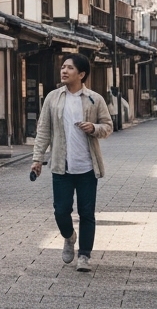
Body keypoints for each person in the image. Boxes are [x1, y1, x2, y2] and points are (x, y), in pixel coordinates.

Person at [31, 53, 113, 272]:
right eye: (63, 67)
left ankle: (84, 255)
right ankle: (69, 237)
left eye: (69, 68)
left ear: (82, 74)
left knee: (87, 213)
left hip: (87, 166)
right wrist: (37, 159)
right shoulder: (52, 98)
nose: (64, 71)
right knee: (61, 211)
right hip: (61, 166)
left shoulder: (95, 99)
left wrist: (94, 128)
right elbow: (43, 130)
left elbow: (108, 126)